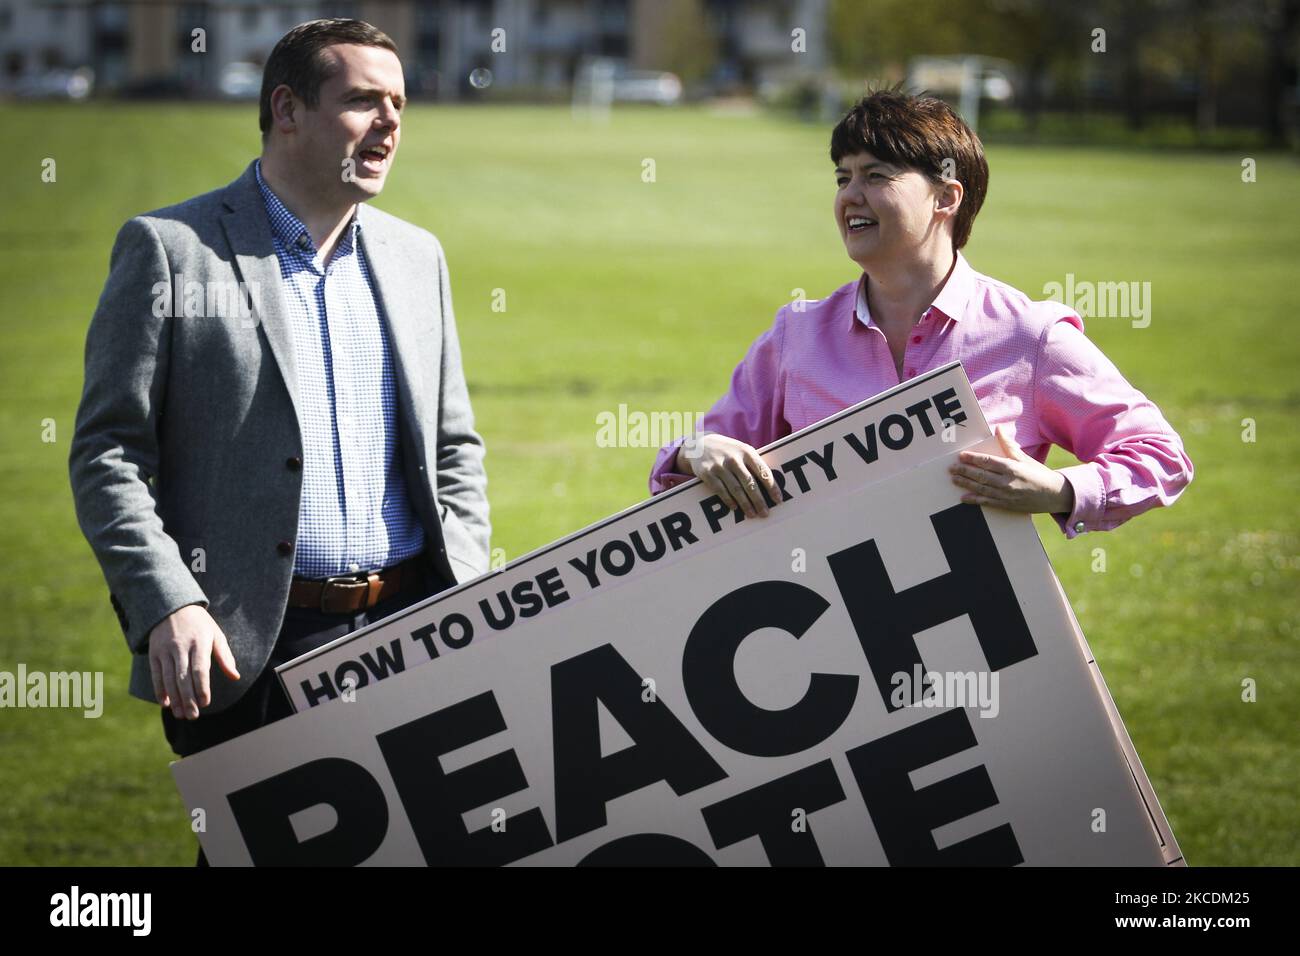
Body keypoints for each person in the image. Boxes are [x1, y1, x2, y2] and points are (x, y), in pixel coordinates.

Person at [68, 19, 490, 860]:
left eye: (399, 103)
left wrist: (466, 592)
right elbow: (109, 453)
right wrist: (168, 603)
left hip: (411, 630)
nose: (391, 122)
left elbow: (455, 450)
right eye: (364, 100)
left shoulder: (418, 258)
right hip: (248, 652)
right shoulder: (171, 250)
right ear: (286, 109)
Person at [650, 88, 1193, 539]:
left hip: (985, 655)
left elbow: (1162, 457)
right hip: (821, 647)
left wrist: (1060, 490)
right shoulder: (797, 334)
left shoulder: (1028, 336)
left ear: (946, 197)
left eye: (876, 176)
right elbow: (682, 468)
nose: (849, 197)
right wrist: (698, 451)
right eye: (843, 178)